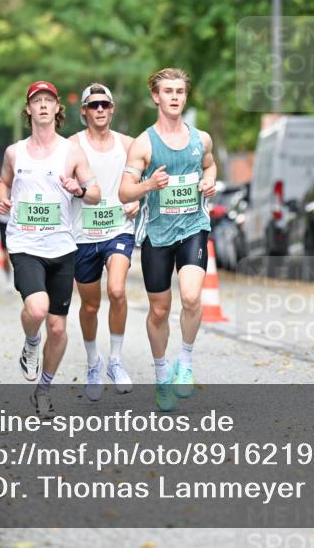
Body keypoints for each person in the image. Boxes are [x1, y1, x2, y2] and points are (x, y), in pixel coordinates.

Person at [0, 80, 102, 418]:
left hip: (62, 246)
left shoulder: (71, 152)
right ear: (28, 109)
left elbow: (95, 193)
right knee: (38, 309)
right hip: (25, 243)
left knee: (57, 328)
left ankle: (43, 389)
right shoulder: (15, 152)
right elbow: (3, 181)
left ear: (57, 109)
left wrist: (79, 190)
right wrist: (2, 198)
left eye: (48, 100)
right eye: (37, 100)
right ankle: (31, 343)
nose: (43, 105)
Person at [120, 68, 216, 412]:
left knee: (190, 297)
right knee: (159, 310)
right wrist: (149, 185)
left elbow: (210, 166)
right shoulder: (144, 144)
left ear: (185, 97)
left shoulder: (201, 139)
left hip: (193, 226)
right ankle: (162, 375)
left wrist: (209, 181)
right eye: (168, 91)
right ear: (155, 97)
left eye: (180, 91)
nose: (174, 97)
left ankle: (185, 362)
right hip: (157, 234)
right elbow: (124, 191)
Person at [69, 83, 139, 401]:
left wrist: (138, 200)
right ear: (84, 111)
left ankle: (115, 361)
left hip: (118, 229)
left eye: (105, 104)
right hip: (82, 235)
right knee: (90, 305)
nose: (100, 109)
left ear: (112, 109)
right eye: (93, 105)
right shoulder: (71, 146)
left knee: (117, 290)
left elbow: (144, 179)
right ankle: (93, 363)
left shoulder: (128, 144)